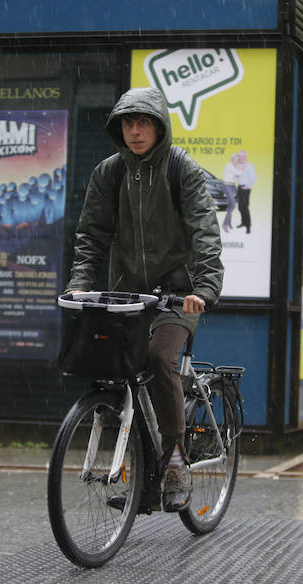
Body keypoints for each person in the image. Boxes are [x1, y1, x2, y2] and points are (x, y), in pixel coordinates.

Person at [65, 87, 224, 512]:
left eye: (143, 123)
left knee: (157, 358)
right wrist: (80, 283)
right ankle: (145, 481)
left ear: (159, 126)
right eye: (127, 124)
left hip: (177, 296)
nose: (135, 132)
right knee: (118, 372)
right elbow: (92, 236)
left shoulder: (181, 169)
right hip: (129, 296)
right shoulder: (109, 173)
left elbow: (205, 232)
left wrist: (203, 289)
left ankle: (175, 465)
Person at [235, 150, 256, 233]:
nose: (239, 158)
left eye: (241, 156)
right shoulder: (239, 166)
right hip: (239, 188)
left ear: (245, 157)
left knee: (245, 207)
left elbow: (253, 177)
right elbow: (236, 175)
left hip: (245, 188)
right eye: (239, 156)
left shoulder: (249, 166)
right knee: (240, 207)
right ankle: (243, 222)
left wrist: (247, 186)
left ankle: (248, 226)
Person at [220, 153, 242, 232]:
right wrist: (243, 168)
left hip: (232, 187)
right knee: (232, 205)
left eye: (238, 160)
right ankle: (225, 224)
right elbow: (238, 173)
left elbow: (236, 175)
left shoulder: (233, 167)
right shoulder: (229, 166)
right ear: (232, 160)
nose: (237, 161)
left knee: (230, 206)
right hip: (227, 186)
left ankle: (228, 223)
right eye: (236, 160)